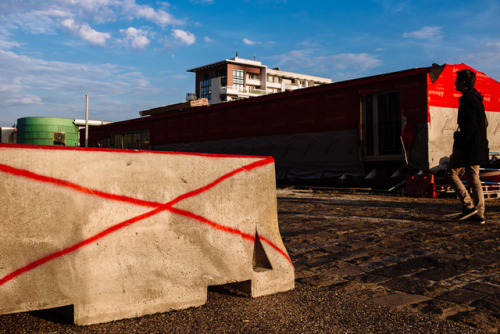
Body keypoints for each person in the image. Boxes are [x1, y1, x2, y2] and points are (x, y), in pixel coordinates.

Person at [446, 69, 489, 224]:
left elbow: (468, 126)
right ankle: (478, 214)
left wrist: (459, 139)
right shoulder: (478, 98)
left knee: (451, 172)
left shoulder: (466, 99)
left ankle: (469, 207)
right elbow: (484, 123)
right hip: (478, 145)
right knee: (473, 177)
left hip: (468, 146)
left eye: (457, 80)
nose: (454, 83)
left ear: (463, 82)